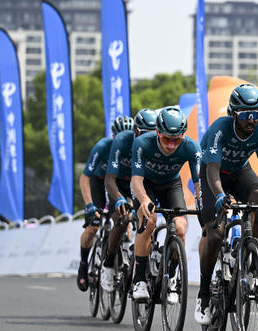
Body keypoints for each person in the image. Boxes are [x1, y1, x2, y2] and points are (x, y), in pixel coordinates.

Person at [195, 83, 258, 324]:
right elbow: (212, 170)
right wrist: (220, 195)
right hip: (214, 176)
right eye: (246, 115)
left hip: (241, 172)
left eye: (256, 114)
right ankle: (202, 295)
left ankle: (252, 267)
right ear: (234, 113)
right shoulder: (220, 128)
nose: (252, 120)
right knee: (215, 234)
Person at [131, 106, 201, 301]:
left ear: (183, 136)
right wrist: (144, 200)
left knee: (180, 227)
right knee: (149, 222)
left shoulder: (191, 147)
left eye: (176, 140)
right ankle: (139, 280)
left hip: (171, 184)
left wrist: (202, 203)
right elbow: (136, 179)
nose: (171, 145)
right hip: (146, 185)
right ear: (157, 133)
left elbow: (199, 183)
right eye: (166, 139)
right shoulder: (142, 143)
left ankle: (171, 278)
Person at [100, 111, 156, 292]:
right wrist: (117, 199)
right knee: (123, 219)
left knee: (147, 219)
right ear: (135, 131)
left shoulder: (156, 143)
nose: (147, 137)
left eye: (151, 133)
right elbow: (109, 179)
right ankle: (108, 264)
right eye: (143, 133)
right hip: (119, 183)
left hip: (139, 182)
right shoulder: (122, 141)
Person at [76, 117, 131, 291]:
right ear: (113, 136)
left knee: (124, 217)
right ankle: (84, 264)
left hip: (121, 183)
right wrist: (89, 205)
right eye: (118, 137)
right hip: (99, 181)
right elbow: (85, 178)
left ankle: (124, 250)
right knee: (93, 227)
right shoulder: (102, 147)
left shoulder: (134, 147)